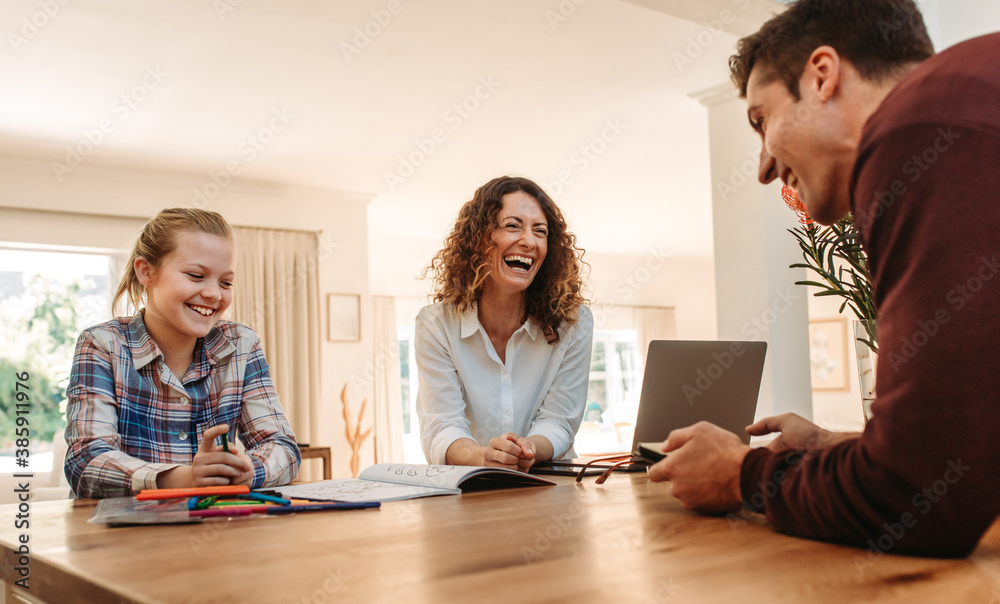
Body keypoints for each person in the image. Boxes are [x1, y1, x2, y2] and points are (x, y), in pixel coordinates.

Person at [649, 0, 1000, 557]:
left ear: (821, 76)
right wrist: (841, 445)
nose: (763, 166)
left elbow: (922, 495)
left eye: (761, 120)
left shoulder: (920, 127)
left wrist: (744, 474)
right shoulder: (963, 102)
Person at [65, 208, 301, 498]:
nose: (215, 294)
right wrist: (184, 478)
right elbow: (86, 461)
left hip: (214, 528)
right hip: (122, 535)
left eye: (226, 282)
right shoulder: (102, 344)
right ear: (146, 271)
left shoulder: (242, 344)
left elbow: (282, 446)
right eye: (196, 275)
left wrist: (249, 470)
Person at [416, 176, 593, 471]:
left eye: (540, 231)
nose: (529, 241)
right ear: (479, 239)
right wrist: (483, 457)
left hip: (550, 488)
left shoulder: (573, 322)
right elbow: (442, 427)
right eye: (513, 225)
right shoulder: (436, 325)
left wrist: (529, 449)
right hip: (471, 489)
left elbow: (560, 420)